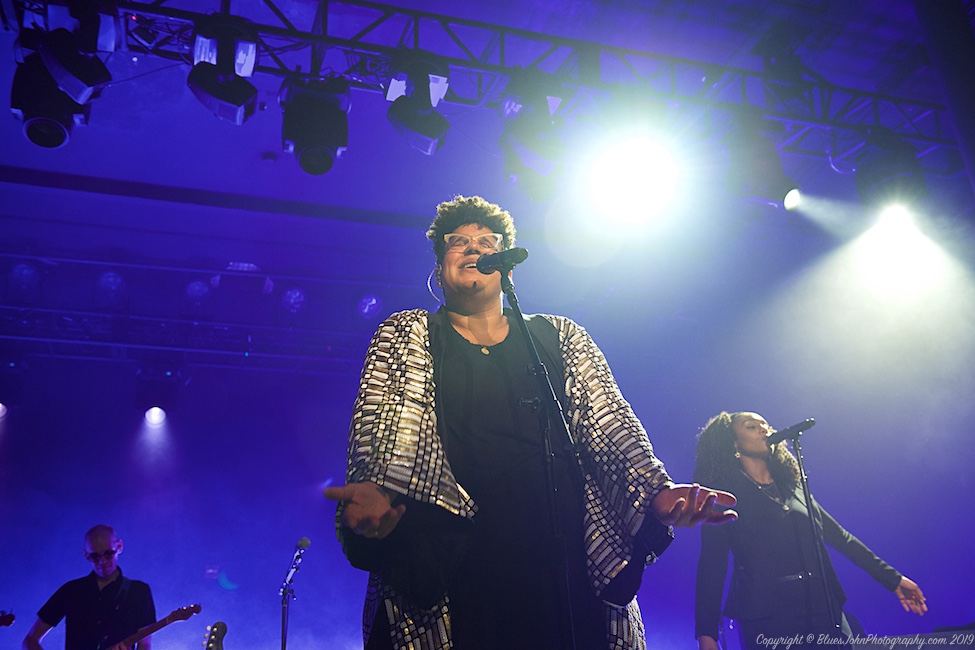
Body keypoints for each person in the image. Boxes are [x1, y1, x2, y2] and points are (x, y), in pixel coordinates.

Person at [324, 195, 738, 649]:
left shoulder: (561, 336)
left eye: (487, 241)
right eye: (457, 242)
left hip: (561, 569)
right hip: (457, 571)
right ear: (440, 266)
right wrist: (378, 490)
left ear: (508, 267)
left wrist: (655, 491)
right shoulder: (410, 332)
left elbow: (610, 425)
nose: (472, 248)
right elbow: (386, 427)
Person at [692, 411, 927, 650]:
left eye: (766, 424)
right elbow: (712, 564)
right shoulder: (725, 498)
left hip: (822, 607)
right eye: (752, 427)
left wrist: (893, 579)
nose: (765, 429)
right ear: (734, 444)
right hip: (769, 617)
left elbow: (841, 538)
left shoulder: (794, 488)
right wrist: (706, 633)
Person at [23, 525, 156, 650]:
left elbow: (145, 643)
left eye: (108, 553)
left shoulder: (139, 592)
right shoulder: (71, 591)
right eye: (95, 556)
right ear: (86, 554)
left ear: (119, 546)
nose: (102, 561)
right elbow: (30, 640)